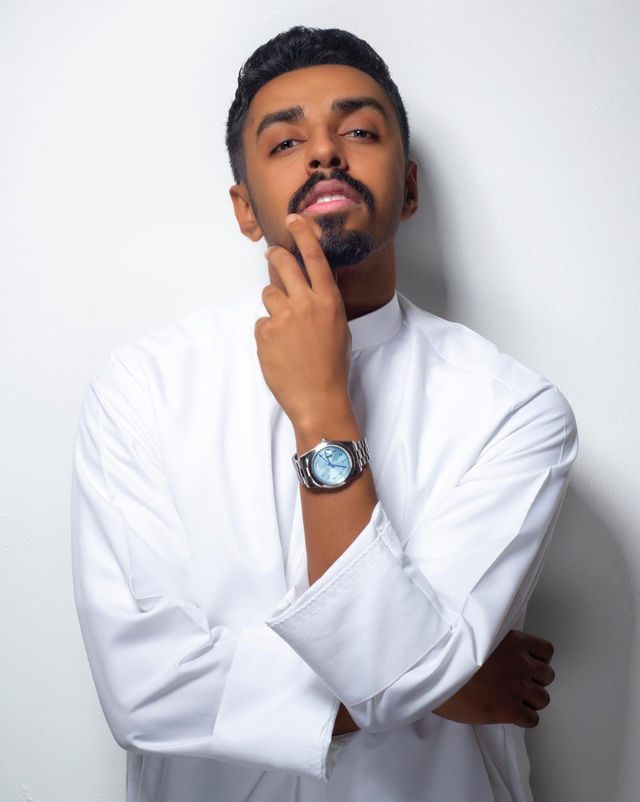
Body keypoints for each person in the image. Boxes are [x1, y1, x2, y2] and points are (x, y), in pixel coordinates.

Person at [71, 26, 577, 802]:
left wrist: (320, 407)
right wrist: (442, 685)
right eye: (285, 142)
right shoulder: (143, 388)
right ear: (246, 209)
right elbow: (144, 693)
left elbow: (396, 677)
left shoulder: (514, 411)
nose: (324, 154)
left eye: (360, 132)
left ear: (409, 188)